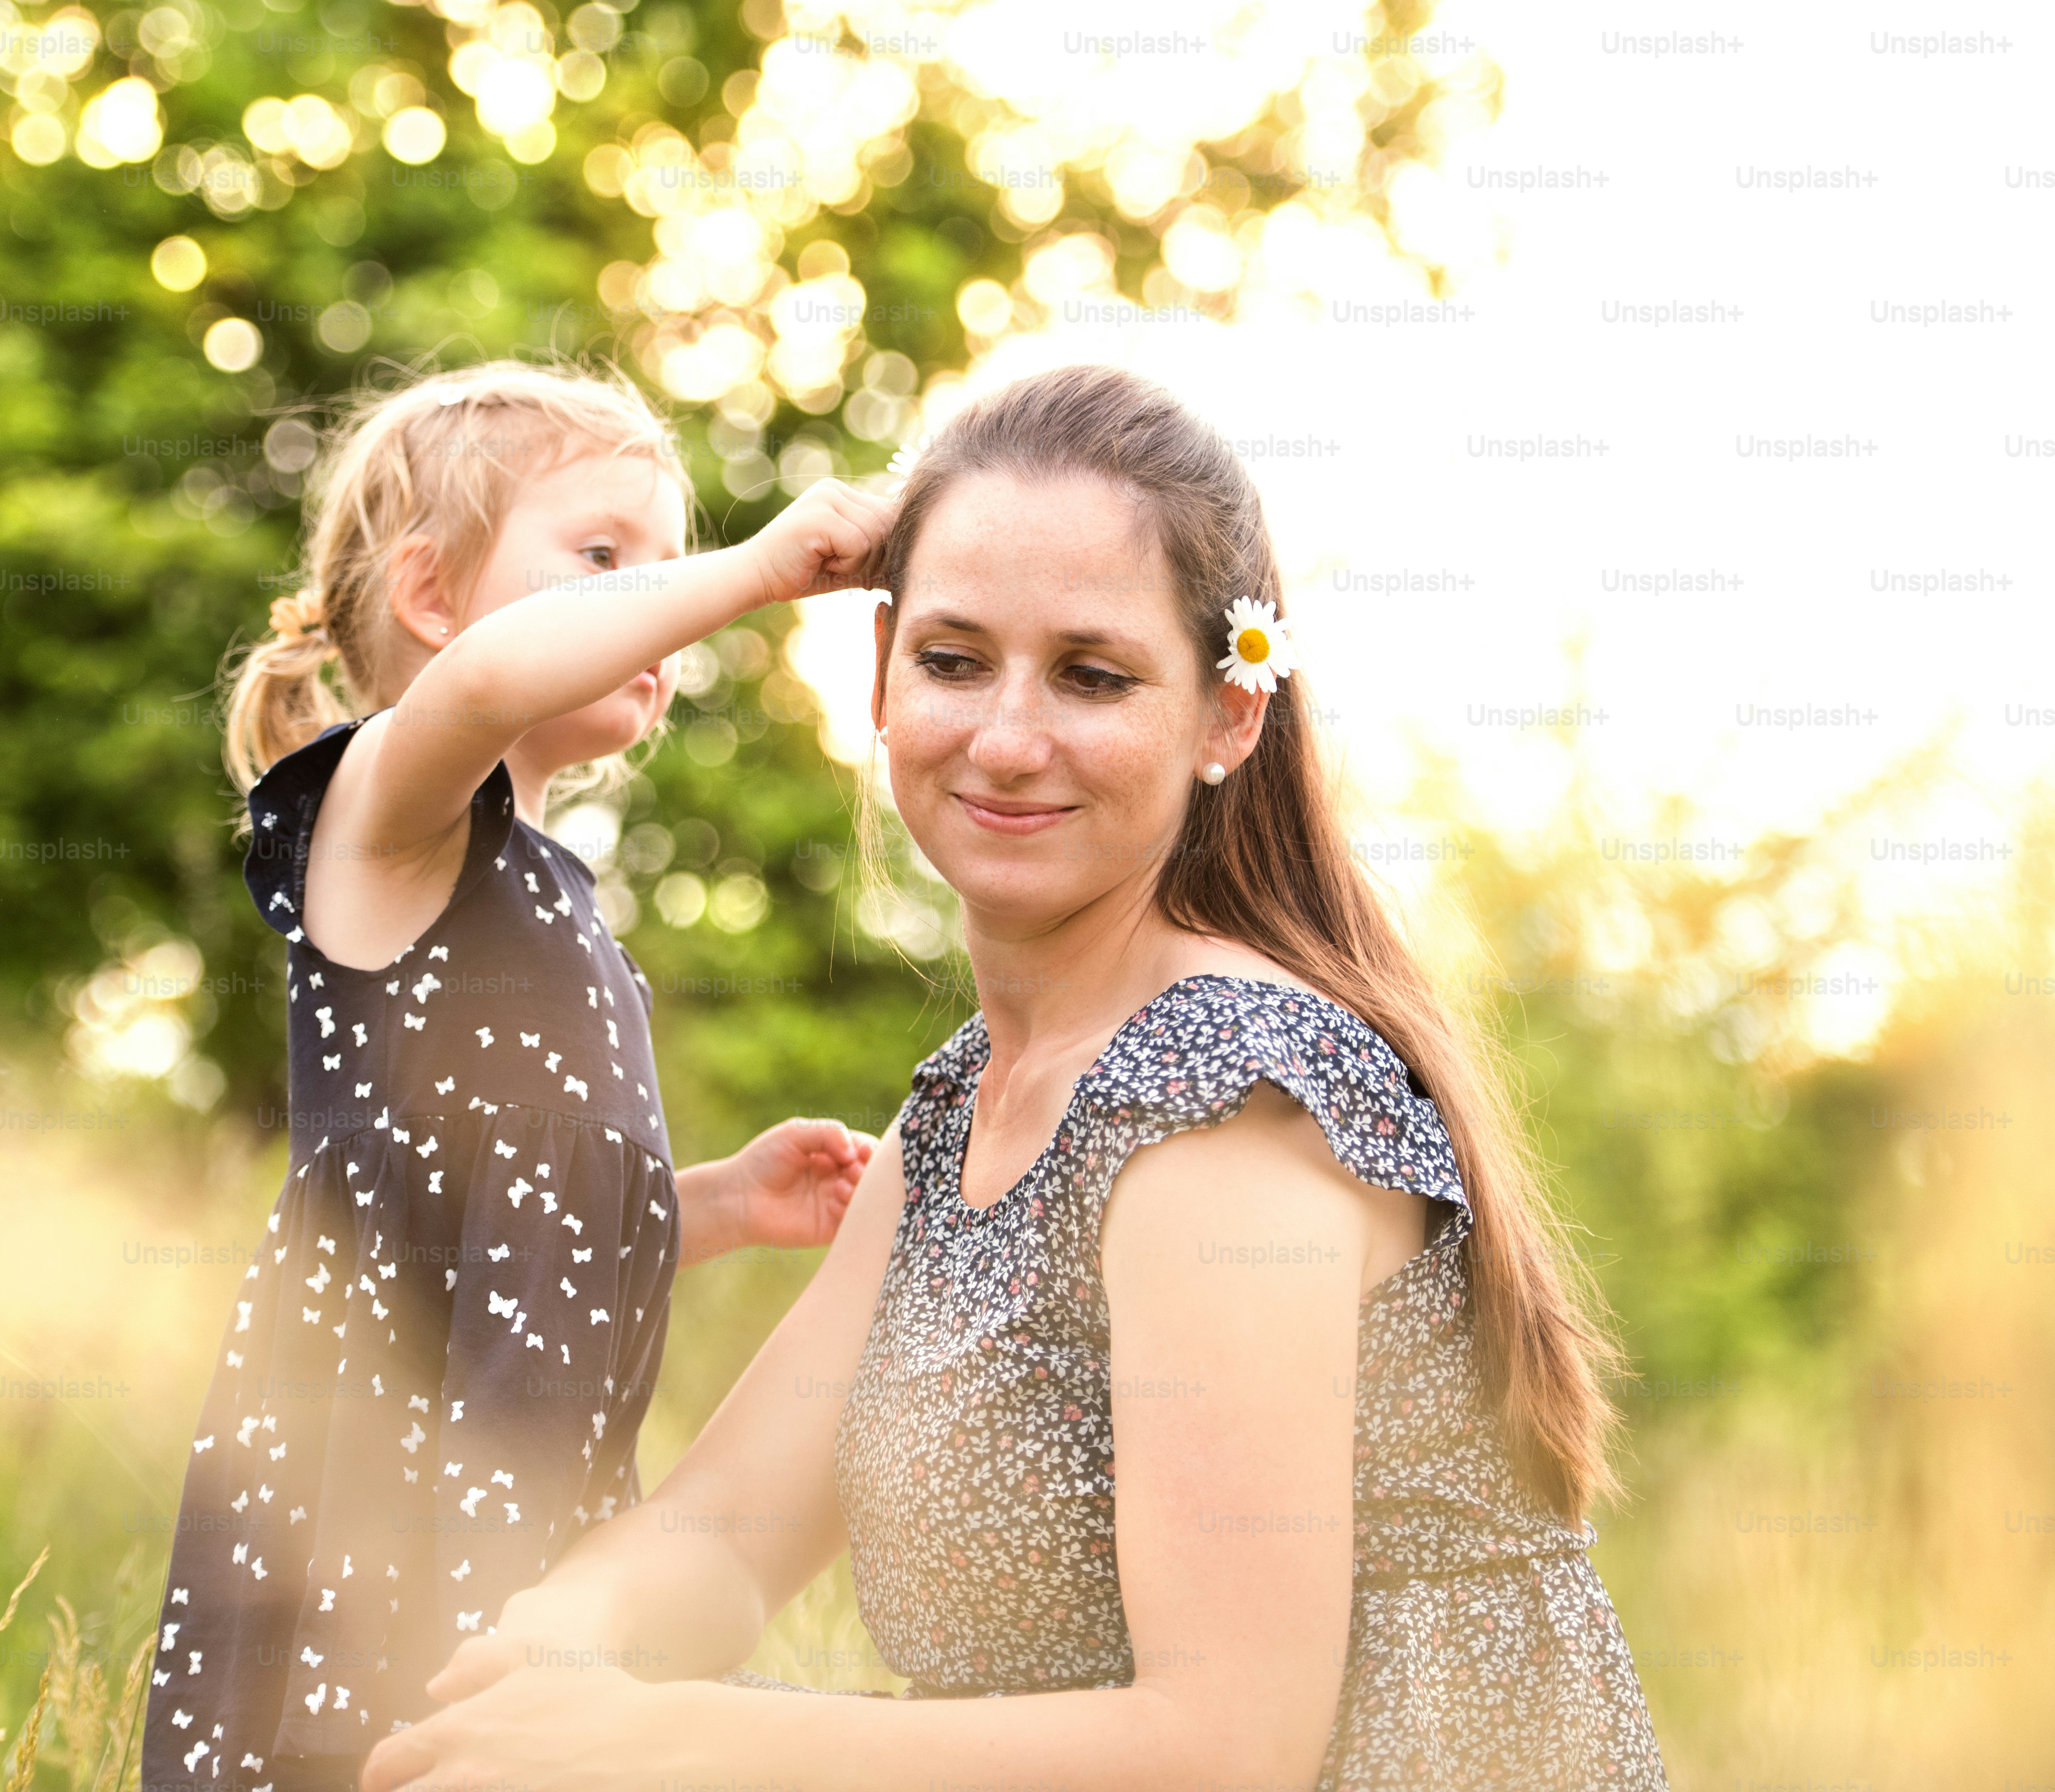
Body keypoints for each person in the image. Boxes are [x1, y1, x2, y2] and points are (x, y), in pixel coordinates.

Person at [363, 364, 1671, 1791]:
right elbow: (720, 1545)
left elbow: (1223, 1750)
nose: (1006, 737)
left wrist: (657, 1742)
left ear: (1230, 718)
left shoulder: (1229, 1106)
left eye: (1094, 676)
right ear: (880, 684)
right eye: (953, 659)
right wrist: (529, 1660)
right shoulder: (966, 1107)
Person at [142, 361, 895, 1792]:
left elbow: (507, 1245)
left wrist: (708, 1208)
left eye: (667, 570)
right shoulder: (386, 819)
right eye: (606, 559)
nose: (658, 606)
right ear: (432, 595)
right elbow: (492, 680)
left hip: (523, 1520)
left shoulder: (557, 907)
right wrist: (752, 570)